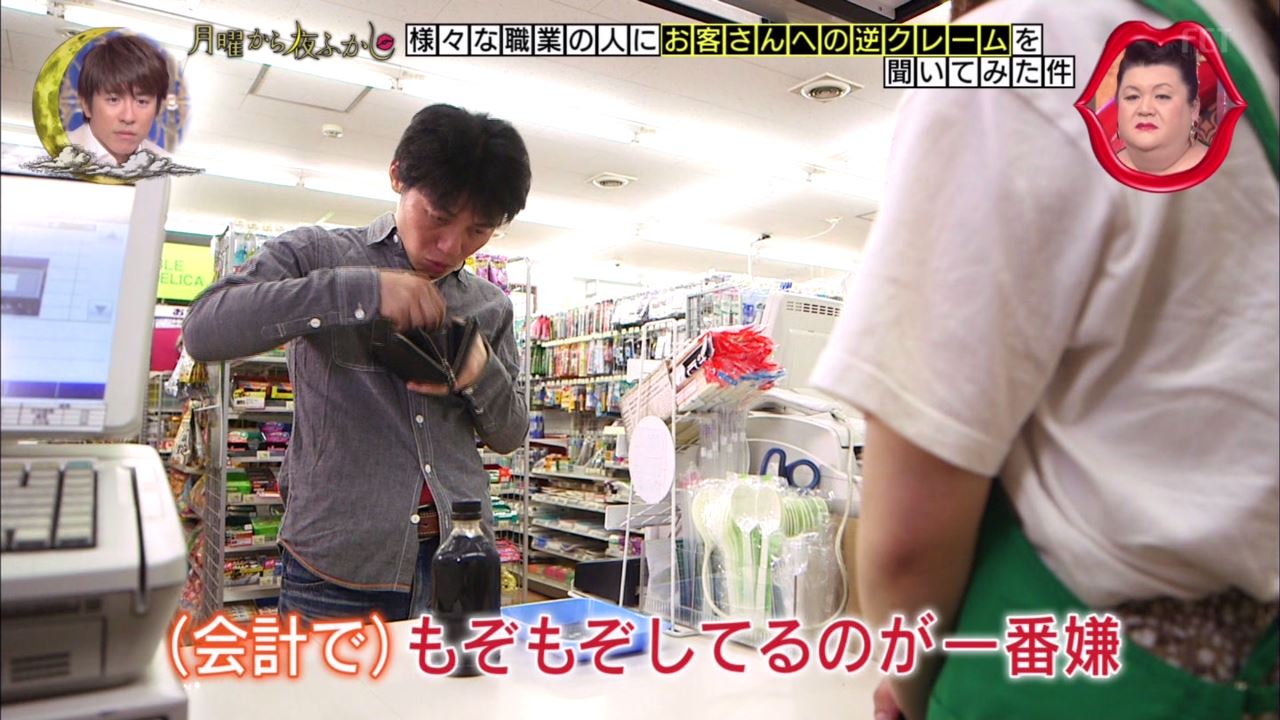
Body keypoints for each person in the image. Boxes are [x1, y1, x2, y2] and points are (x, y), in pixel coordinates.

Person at [810, 0, 1277, 718]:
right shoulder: (1253, 79)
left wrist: (913, 686)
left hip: (1066, 679)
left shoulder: (1018, 53)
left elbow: (907, 544)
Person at [182, 103, 532, 624]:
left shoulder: (490, 305)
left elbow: (509, 435)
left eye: (478, 231)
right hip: (336, 568)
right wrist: (361, 291)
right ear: (397, 176)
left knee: (457, 684)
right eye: (438, 218)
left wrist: (483, 374)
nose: (451, 246)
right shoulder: (317, 254)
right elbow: (205, 328)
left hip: (460, 562)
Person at [68, 32, 169, 166]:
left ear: (158, 108)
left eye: (141, 101)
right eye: (113, 100)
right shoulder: (53, 155)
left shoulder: (168, 167)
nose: (128, 117)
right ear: (86, 104)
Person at [1114, 39, 1209, 175]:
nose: (1145, 109)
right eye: (1132, 97)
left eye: (1162, 96)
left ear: (1193, 109)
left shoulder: (1223, 175)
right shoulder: (1097, 173)